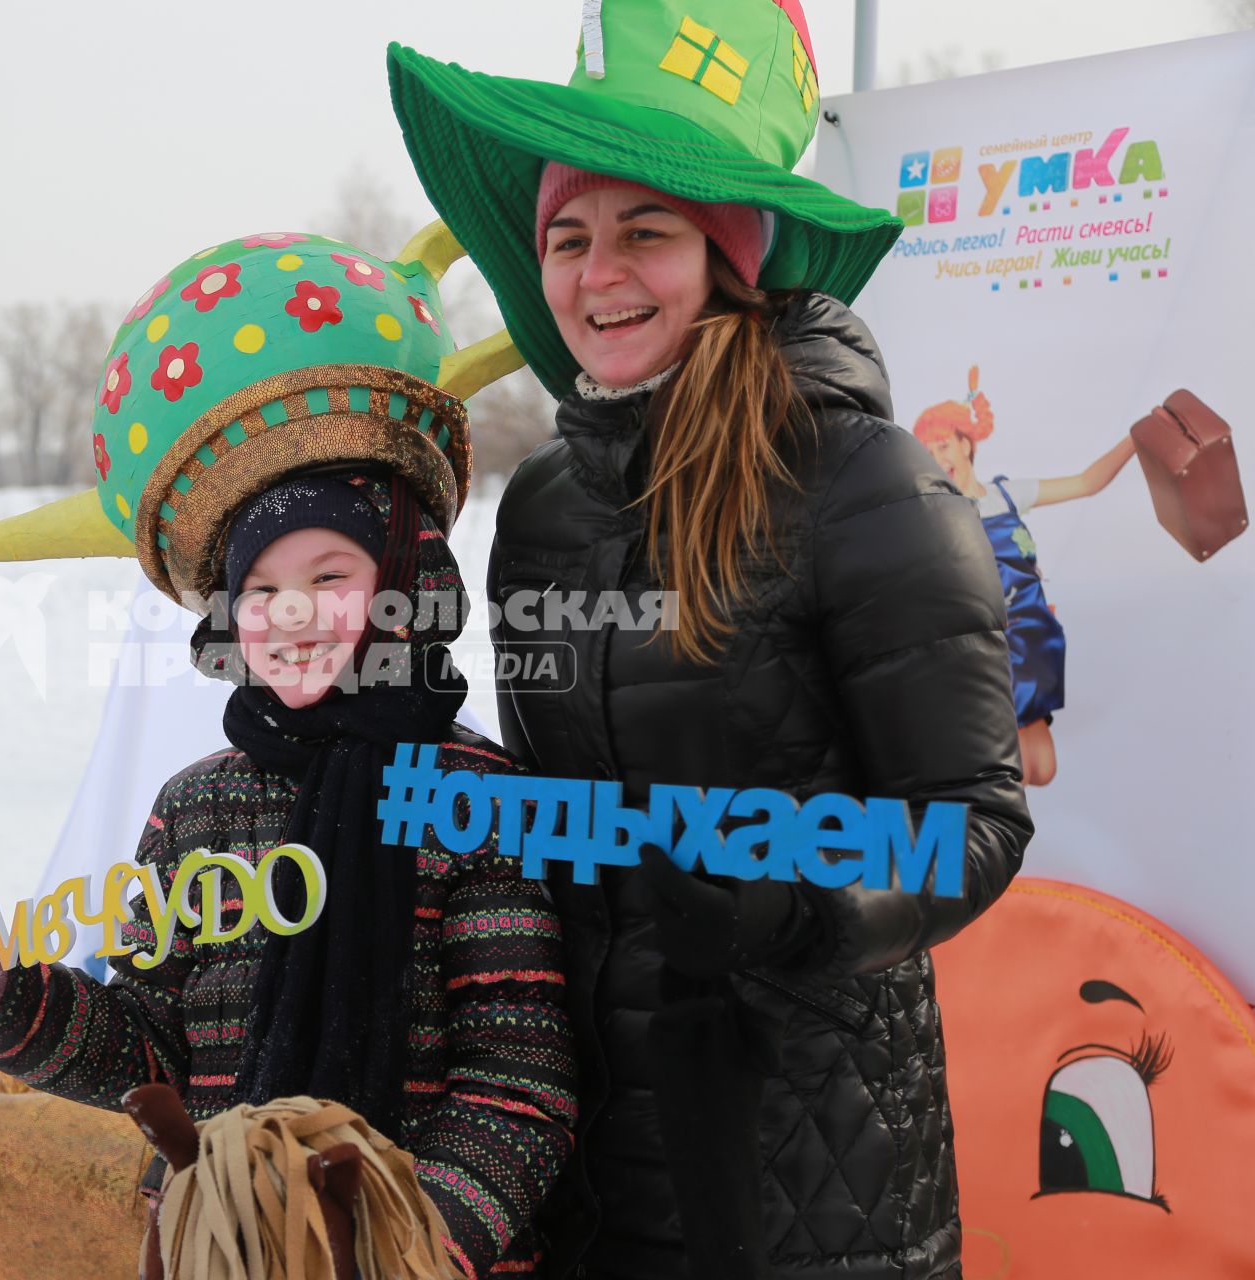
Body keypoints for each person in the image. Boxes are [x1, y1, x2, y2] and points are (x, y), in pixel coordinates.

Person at [389, 3, 1034, 1276]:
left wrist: (797, 898)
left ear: (731, 257)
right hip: (583, 1138)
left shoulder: (867, 486)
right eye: (567, 237)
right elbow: (565, 804)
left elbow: (975, 820)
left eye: (647, 230)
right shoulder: (544, 506)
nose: (599, 271)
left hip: (813, 1156)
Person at [0, 232, 576, 1277]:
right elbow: (151, 1040)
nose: (289, 612)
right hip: (219, 1254)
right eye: (260, 588)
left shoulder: (476, 798)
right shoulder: (193, 808)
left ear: (405, 582)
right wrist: (2, 997)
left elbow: (519, 1084)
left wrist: (399, 1242)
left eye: (329, 573)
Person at [912, 365, 1138, 786]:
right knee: (1005, 777)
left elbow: (1087, 482)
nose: (939, 459)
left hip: (1034, 640)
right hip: (989, 653)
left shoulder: (1006, 494)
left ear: (966, 443)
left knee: (1042, 770)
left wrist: (1136, 440)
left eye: (943, 444)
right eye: (928, 451)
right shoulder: (932, 516)